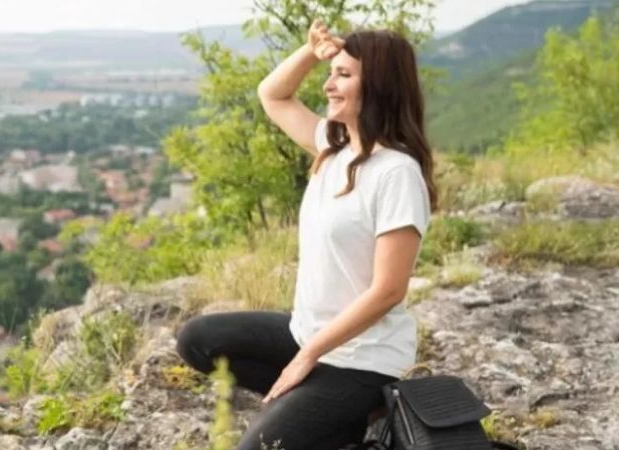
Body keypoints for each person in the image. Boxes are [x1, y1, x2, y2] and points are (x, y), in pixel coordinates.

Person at [175, 20, 438, 450]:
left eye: (343, 75)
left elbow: (389, 290)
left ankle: (352, 408)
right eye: (331, 73)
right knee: (198, 340)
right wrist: (311, 52)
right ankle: (335, 420)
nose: (328, 85)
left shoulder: (396, 173)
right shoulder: (333, 149)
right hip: (308, 334)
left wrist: (307, 357)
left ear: (379, 87)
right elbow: (272, 94)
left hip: (362, 361)